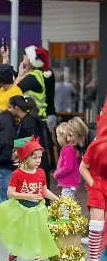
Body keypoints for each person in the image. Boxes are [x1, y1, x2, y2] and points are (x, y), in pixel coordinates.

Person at [0, 136, 60, 261]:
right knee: (19, 239)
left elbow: (44, 190)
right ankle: (13, 256)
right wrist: (28, 195)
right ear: (25, 158)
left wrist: (56, 198)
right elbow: (10, 193)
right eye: (35, 157)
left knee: (38, 237)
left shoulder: (41, 172)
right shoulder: (17, 174)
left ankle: (38, 257)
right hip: (21, 210)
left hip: (37, 210)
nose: (38, 160)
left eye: (40, 157)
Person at [8, 96, 52, 203]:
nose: (9, 110)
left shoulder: (28, 122)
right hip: (37, 157)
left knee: (39, 187)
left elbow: (30, 140)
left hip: (36, 158)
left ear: (16, 108)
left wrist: (15, 148)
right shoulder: (29, 120)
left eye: (10, 107)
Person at [80, 97, 107, 261]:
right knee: (97, 226)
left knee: (104, 230)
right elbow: (82, 168)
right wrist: (94, 184)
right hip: (97, 188)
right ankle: (94, 258)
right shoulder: (96, 145)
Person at [53, 118, 88, 197]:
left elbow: (67, 167)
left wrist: (57, 173)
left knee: (65, 207)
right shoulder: (72, 148)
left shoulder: (68, 149)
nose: (68, 139)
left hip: (69, 183)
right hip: (71, 183)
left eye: (58, 136)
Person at [0, 110, 17, 205]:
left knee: (2, 199)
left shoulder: (5, 139)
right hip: (9, 170)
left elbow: (6, 157)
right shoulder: (14, 136)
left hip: (2, 171)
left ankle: (3, 218)